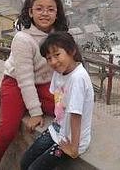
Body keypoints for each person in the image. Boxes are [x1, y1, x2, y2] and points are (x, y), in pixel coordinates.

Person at [0, 0, 69, 170]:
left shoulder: (59, 36)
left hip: (45, 82)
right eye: (39, 9)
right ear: (30, 12)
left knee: (64, 111)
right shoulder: (23, 39)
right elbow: (25, 79)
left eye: (50, 9)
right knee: (8, 129)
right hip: (17, 81)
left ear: (57, 13)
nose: (45, 13)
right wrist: (35, 112)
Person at [20, 31, 94, 170]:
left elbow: (75, 115)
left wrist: (74, 148)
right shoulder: (59, 72)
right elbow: (58, 102)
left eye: (57, 55)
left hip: (70, 140)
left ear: (71, 51)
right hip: (57, 130)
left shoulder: (77, 78)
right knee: (25, 162)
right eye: (48, 58)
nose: (53, 62)